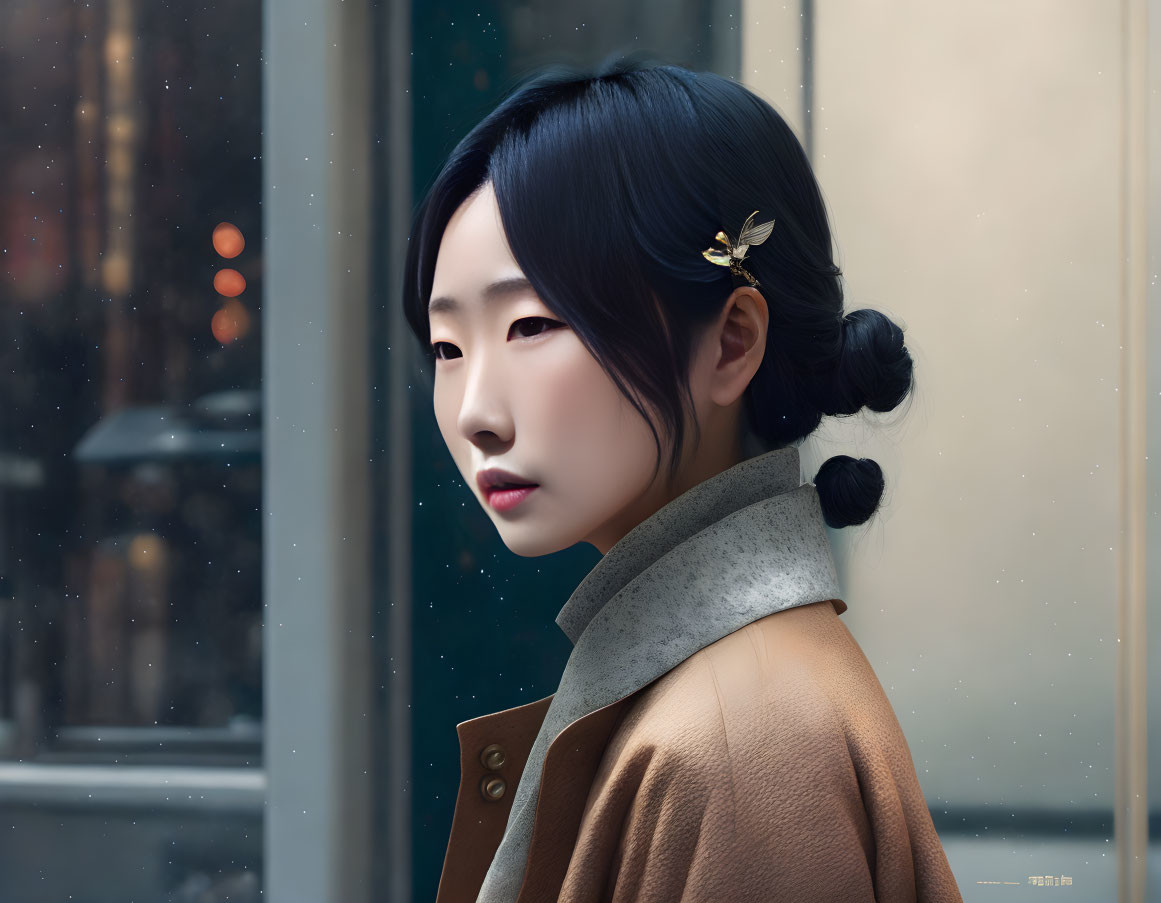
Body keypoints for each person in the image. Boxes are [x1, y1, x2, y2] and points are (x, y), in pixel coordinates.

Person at [402, 54, 963, 903]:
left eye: (531, 324)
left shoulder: (742, 746)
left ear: (729, 342)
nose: (475, 409)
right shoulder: (724, 695)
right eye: (448, 347)